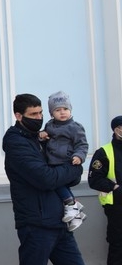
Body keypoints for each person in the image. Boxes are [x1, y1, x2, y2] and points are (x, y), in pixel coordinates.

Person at [3, 93, 122, 265]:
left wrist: (68, 168)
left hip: (58, 223)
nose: (39, 119)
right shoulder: (16, 144)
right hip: (35, 225)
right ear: (18, 116)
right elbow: (45, 178)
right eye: (33, 115)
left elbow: (63, 160)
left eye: (40, 113)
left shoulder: (39, 139)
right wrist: (75, 170)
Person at [40, 91, 88, 231]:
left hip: (67, 162)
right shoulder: (50, 125)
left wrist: (79, 156)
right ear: (51, 113)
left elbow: (82, 144)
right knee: (58, 185)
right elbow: (44, 136)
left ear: (70, 110)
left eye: (65, 109)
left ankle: (71, 205)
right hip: (52, 163)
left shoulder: (75, 127)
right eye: (57, 110)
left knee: (57, 184)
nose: (62, 112)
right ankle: (76, 213)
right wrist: (42, 135)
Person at [87, 115, 122, 265]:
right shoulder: (104, 152)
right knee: (117, 241)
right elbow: (94, 179)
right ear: (114, 130)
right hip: (116, 205)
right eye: (120, 127)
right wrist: (115, 188)